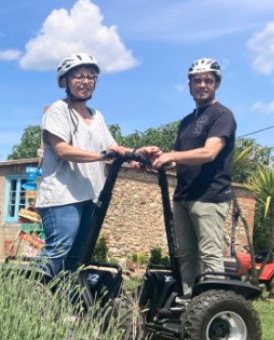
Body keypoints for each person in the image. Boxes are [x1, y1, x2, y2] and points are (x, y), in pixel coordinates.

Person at [36, 53, 156, 278]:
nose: (85, 81)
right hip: (62, 197)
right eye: (79, 76)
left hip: (89, 196)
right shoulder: (58, 110)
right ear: (65, 81)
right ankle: (28, 298)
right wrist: (102, 156)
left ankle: (62, 306)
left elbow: (112, 148)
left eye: (91, 77)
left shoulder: (96, 115)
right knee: (58, 252)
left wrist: (137, 154)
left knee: (77, 259)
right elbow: (62, 150)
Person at [152, 58, 236, 296]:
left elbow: (209, 153)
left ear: (216, 84)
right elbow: (178, 160)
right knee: (186, 254)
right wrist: (153, 163)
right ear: (189, 86)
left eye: (208, 81)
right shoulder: (187, 122)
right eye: (197, 81)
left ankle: (212, 307)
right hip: (183, 196)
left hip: (210, 197)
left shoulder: (222, 115)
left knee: (209, 254)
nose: (202, 85)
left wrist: (172, 155)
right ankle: (189, 304)